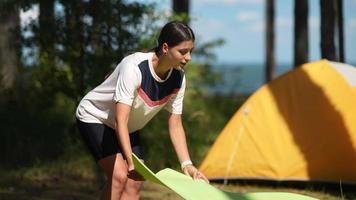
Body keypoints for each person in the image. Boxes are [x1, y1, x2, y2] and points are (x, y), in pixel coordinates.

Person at [75, 21, 209, 200]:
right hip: (95, 116)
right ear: (165, 48)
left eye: (191, 51)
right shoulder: (134, 67)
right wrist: (130, 162)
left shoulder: (178, 78)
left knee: (135, 183)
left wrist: (187, 165)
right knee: (120, 176)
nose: (188, 57)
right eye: (183, 52)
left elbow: (175, 124)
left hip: (127, 126)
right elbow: (120, 120)